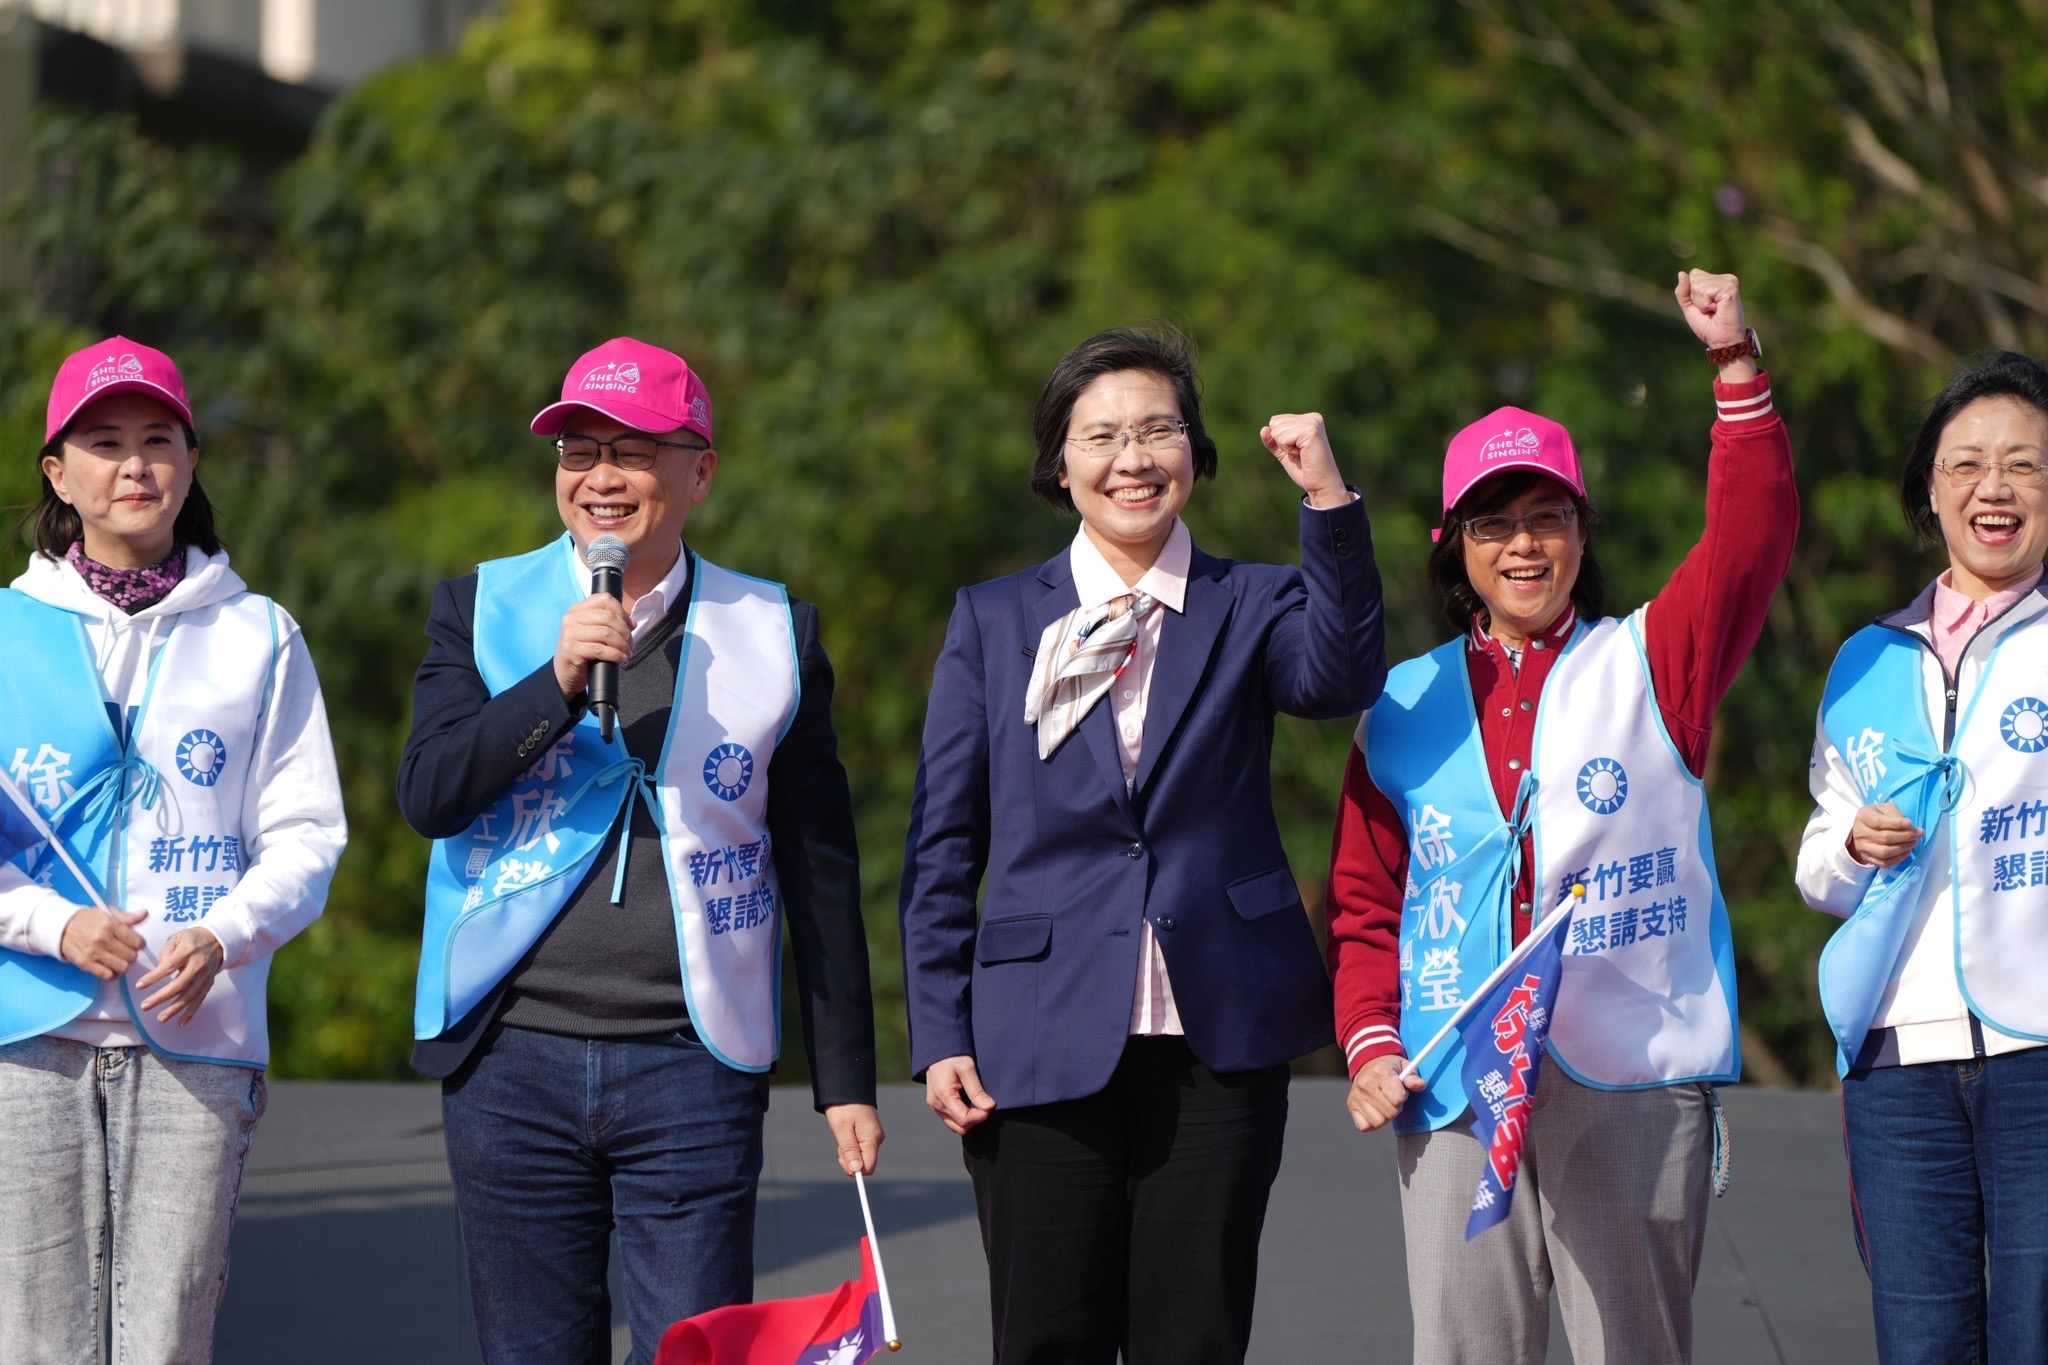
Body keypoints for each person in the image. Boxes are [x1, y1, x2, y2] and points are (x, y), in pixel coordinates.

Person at [1325, 271, 1794, 1365]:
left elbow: (1750, 538)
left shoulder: (1651, 662)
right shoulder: (1400, 703)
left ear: (1583, 530)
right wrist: (1370, 1043)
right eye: (1494, 524)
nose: (1524, 546)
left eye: (1547, 518)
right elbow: (1363, 903)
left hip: (1624, 1071)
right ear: (1454, 546)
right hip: (1451, 1078)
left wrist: (1734, 366)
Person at [899, 323, 1385, 1363]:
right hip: (1035, 1036)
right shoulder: (992, 619)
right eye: (1102, 436)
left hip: (1216, 1038)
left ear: (1194, 454)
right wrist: (938, 1027)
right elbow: (943, 840)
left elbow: (1339, 677)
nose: (1132, 458)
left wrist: (1327, 500)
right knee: (1045, 1339)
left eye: (1158, 430)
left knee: (1193, 1339)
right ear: (1059, 464)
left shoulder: (1251, 601)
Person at [399, 337, 881, 1364]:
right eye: (578, 452)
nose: (600, 477)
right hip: (510, 1059)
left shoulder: (773, 628)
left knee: (694, 1350)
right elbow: (430, 794)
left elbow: (819, 866)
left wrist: (844, 1077)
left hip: (690, 1063)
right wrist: (555, 683)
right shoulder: (482, 607)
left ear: (699, 471)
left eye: (633, 451)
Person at [0, 337, 347, 1363]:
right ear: (59, 474)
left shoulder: (260, 635)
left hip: (197, 1037)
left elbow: (306, 833)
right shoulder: (7, 632)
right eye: (104, 443)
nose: (134, 465)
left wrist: (224, 933)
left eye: (158, 440)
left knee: (168, 1336)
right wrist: (52, 923)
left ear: (192, 463)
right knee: (35, 1340)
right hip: (25, 1033)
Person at [1796, 352, 2048, 1365]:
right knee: (1919, 1340)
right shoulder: (1866, 657)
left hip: (2039, 1049)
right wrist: (1854, 844)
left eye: (2024, 465)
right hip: (1897, 1060)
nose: (1995, 488)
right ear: (1929, 491)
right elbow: (1818, 862)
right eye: (1967, 465)